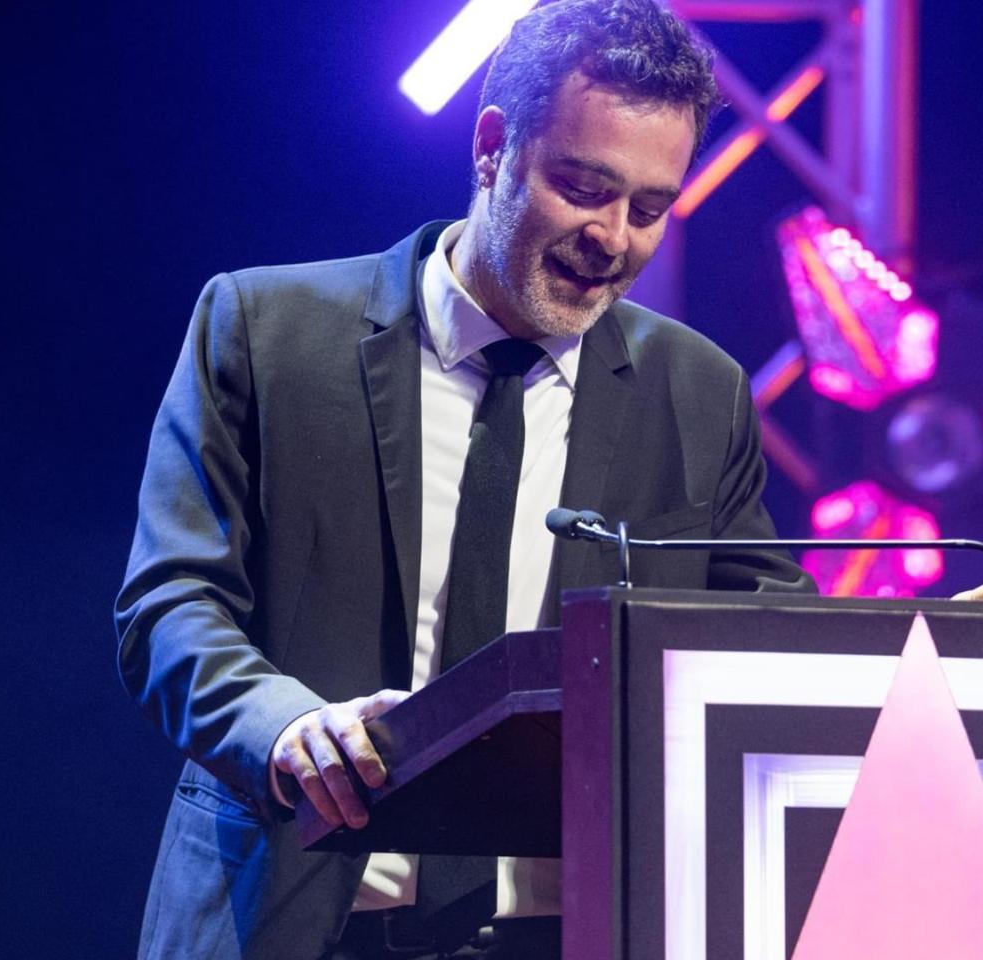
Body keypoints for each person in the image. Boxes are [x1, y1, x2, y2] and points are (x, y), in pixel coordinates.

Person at [116, 2, 818, 957]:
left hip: (568, 932)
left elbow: (765, 645)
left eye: (649, 209)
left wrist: (933, 646)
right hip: (292, 918)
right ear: (492, 147)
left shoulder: (700, 392)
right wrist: (284, 726)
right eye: (582, 188)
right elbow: (171, 601)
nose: (613, 238)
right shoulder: (265, 331)